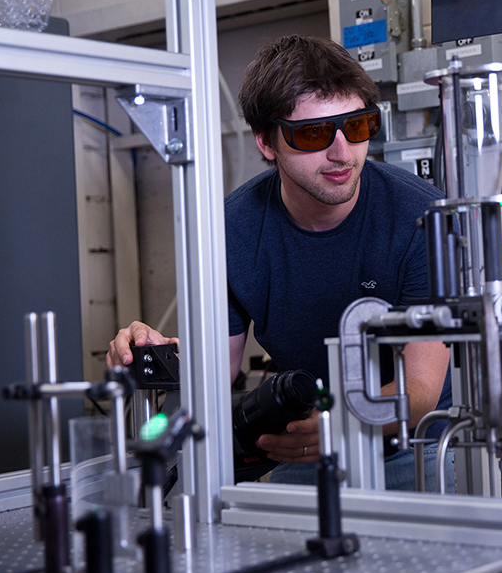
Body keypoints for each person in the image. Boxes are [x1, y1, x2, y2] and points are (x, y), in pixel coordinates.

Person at [107, 35, 454, 491]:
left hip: (414, 447)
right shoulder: (230, 228)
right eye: (312, 134)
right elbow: (215, 370)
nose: (342, 152)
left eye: (357, 126)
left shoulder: (421, 215)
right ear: (267, 143)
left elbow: (420, 392)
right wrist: (156, 355)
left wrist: (334, 428)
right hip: (303, 445)